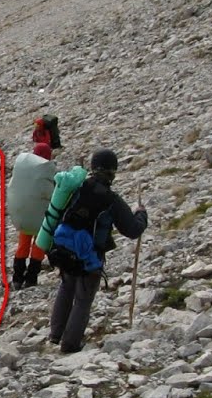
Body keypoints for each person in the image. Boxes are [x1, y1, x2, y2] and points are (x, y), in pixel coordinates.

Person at [47, 149, 148, 354]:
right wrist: (141, 215)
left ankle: (55, 335)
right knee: (83, 299)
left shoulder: (75, 188)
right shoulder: (111, 200)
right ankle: (70, 344)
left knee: (66, 288)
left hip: (64, 248)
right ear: (112, 171)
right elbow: (132, 230)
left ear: (92, 167)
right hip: (90, 256)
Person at [6, 141, 56, 289]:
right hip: (43, 216)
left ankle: (17, 279)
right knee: (39, 246)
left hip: (25, 214)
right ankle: (31, 278)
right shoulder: (49, 169)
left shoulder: (24, 170)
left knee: (22, 246)